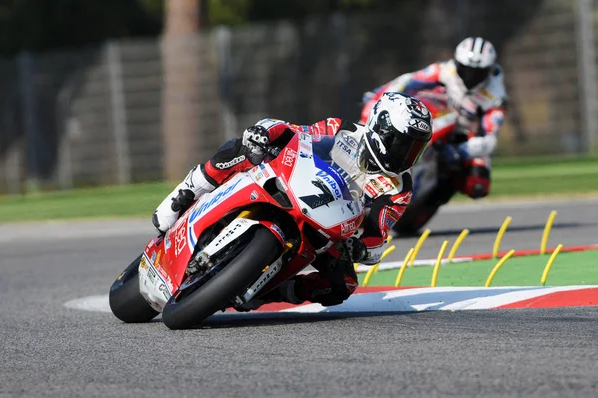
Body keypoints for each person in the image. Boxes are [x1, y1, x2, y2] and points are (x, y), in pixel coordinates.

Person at [153, 92, 432, 309]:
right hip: (291, 186)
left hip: (328, 227)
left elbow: (377, 236)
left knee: (343, 285)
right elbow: (293, 131)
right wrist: (265, 135)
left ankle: (270, 291)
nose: (407, 154)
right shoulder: (342, 130)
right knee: (244, 148)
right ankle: (189, 188)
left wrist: (359, 249)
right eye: (402, 143)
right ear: (380, 128)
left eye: (415, 148)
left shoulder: (399, 187)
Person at [361, 37, 508, 199]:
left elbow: (489, 141)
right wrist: (380, 94)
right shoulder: (445, 69)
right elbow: (408, 80)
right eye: (465, 70)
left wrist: (461, 151)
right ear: (457, 64)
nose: (470, 77)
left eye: (478, 73)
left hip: (465, 138)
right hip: (438, 117)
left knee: (478, 186)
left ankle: (439, 190)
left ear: (489, 70)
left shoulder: (496, 97)